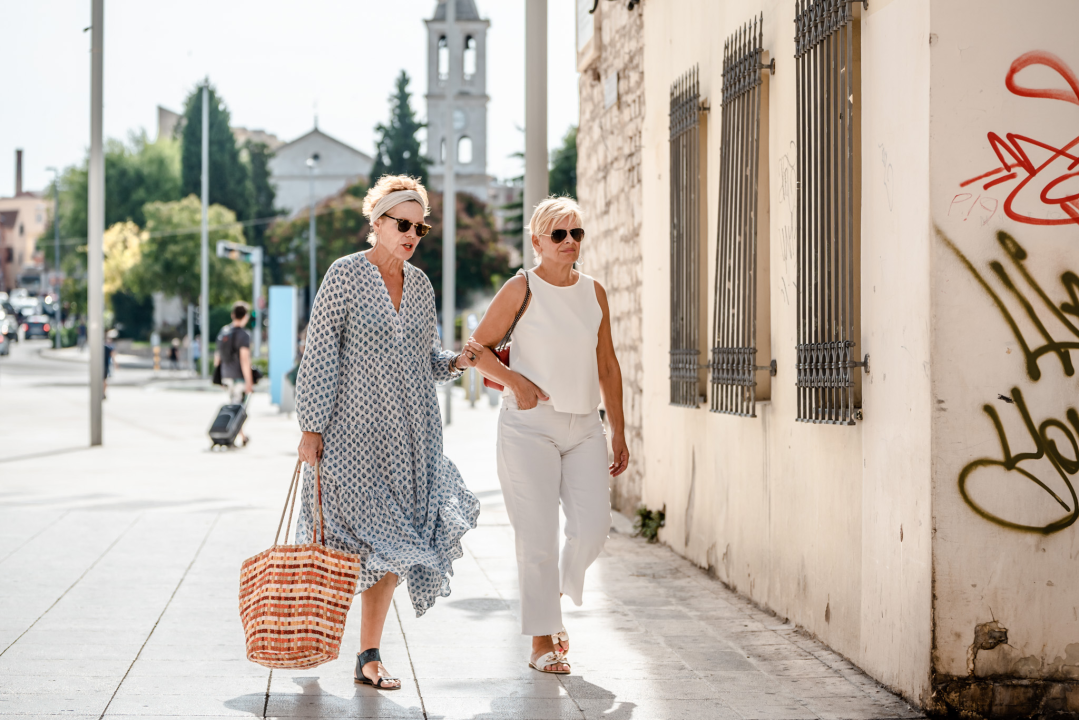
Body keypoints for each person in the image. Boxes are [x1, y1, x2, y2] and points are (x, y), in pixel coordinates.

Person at [294, 174, 482, 690]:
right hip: (350, 441)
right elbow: (319, 355)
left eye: (420, 227)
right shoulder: (344, 274)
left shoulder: (420, 285)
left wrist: (458, 361)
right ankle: (307, 634)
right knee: (341, 546)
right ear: (377, 222)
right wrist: (311, 427)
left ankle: (368, 655)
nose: (412, 234)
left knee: (396, 547)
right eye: (403, 223)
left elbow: (426, 358)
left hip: (411, 439)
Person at [468, 196, 631, 675]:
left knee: (594, 527)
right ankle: (543, 640)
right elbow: (477, 350)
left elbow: (607, 364)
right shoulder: (521, 288)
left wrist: (618, 429)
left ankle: (551, 599)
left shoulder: (594, 291)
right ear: (537, 240)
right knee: (537, 536)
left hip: (584, 426)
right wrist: (517, 382)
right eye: (558, 234)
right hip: (529, 428)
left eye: (576, 233)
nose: (568, 243)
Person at [215, 302, 254, 446]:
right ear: (245, 317)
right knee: (239, 408)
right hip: (238, 377)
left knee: (234, 405)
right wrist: (249, 381)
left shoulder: (223, 332)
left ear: (232, 315)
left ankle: (240, 435)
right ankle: (231, 433)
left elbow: (217, 357)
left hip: (226, 375)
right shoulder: (243, 335)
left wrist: (219, 377)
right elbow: (244, 359)